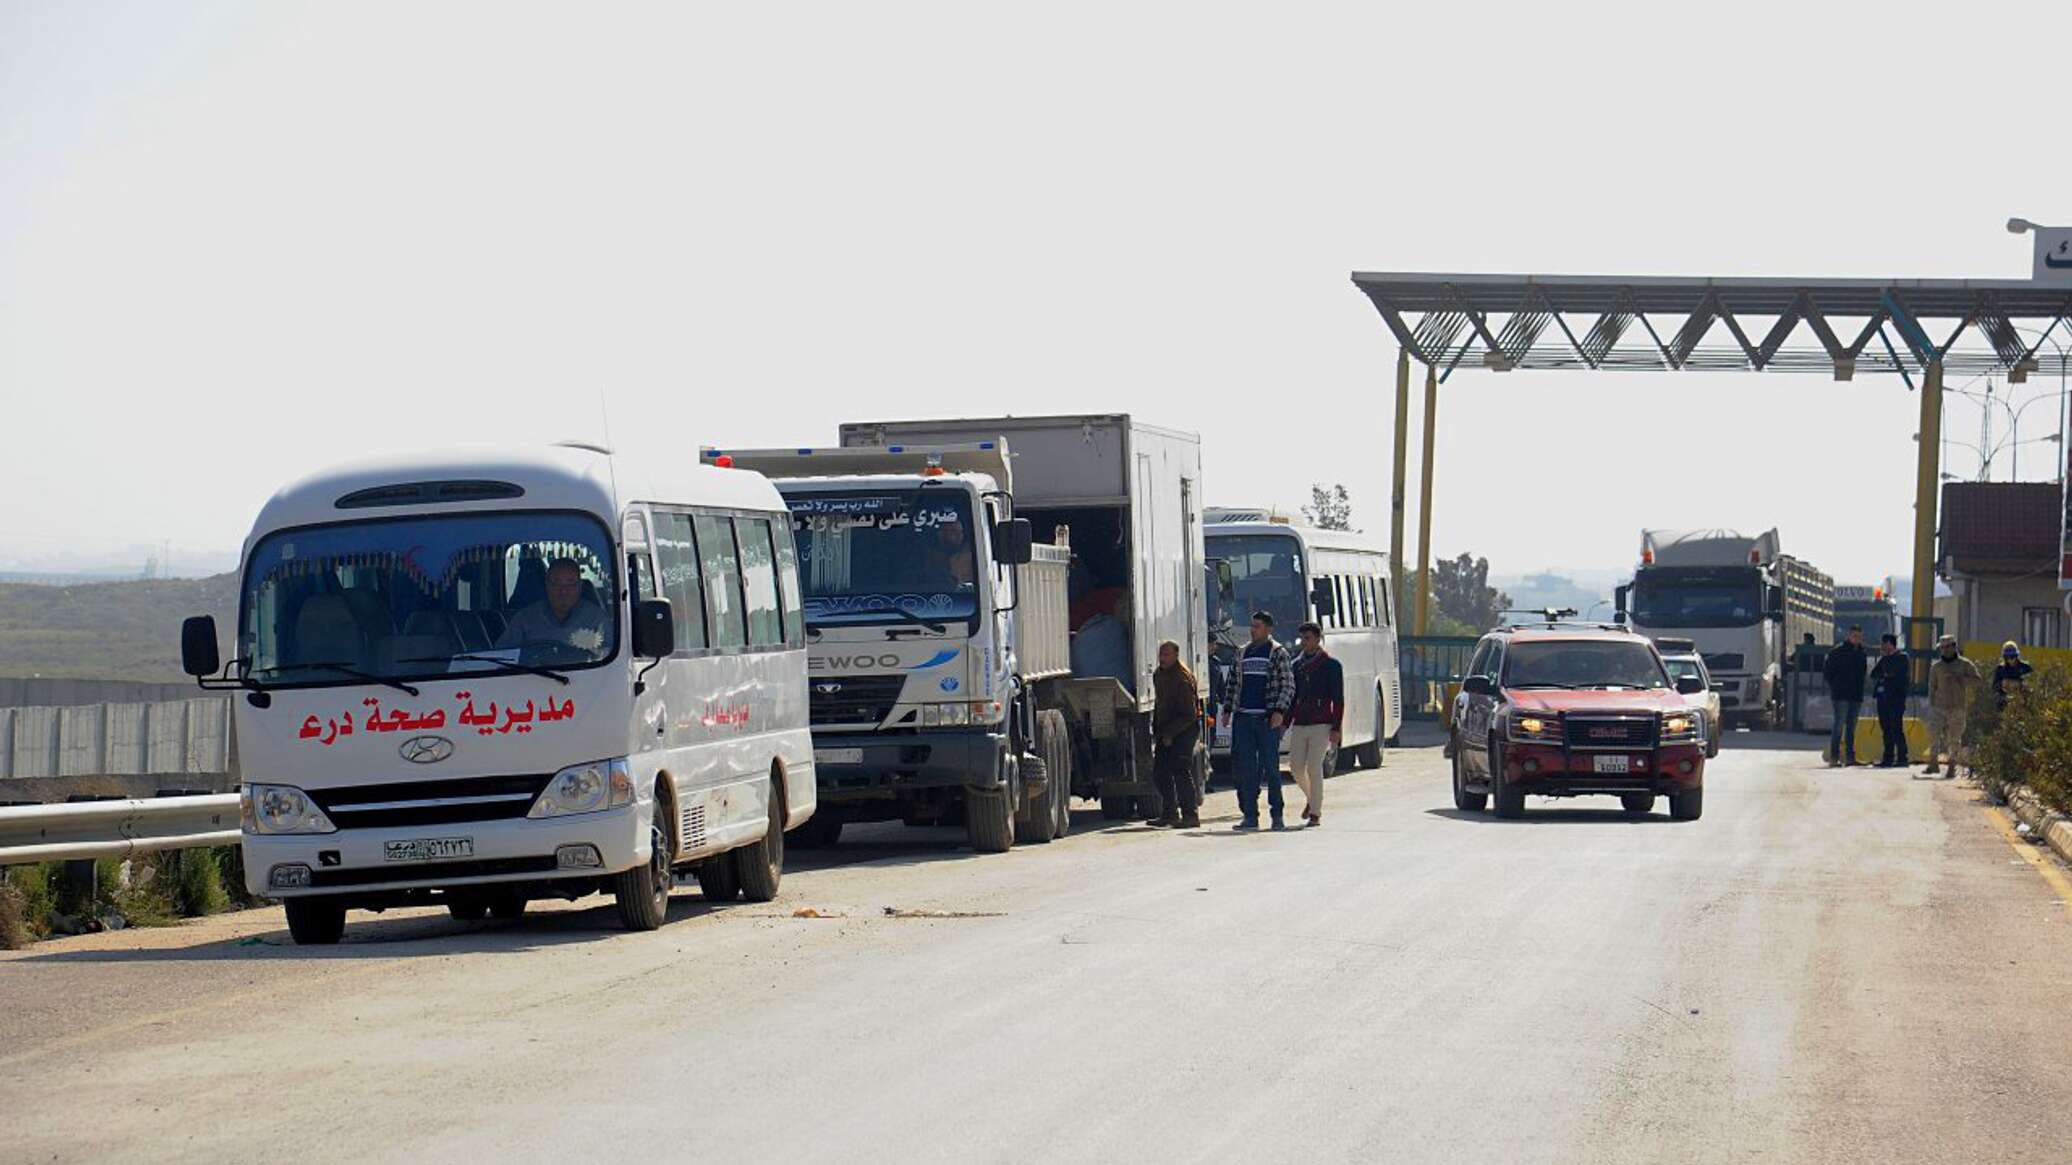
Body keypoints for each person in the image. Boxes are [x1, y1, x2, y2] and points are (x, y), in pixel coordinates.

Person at [1218, 610, 1293, 831]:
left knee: (1271, 769)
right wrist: (1228, 709)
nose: (1253, 630)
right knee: (1246, 770)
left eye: (1258, 626)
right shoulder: (1242, 653)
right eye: (1252, 626)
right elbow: (1232, 683)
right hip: (1244, 719)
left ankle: (1277, 815)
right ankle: (1250, 815)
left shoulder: (1278, 653)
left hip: (1266, 720)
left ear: (1269, 629)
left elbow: (1288, 685)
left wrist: (1279, 711)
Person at [1285, 622, 1344, 827]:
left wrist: (1336, 728)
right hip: (1300, 722)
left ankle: (1315, 813)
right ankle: (1311, 799)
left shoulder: (1331, 665)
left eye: (1308, 638)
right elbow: (1293, 697)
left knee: (1313, 767)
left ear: (1318, 639)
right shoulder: (1297, 666)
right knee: (1295, 768)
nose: (1304, 643)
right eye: (1302, 639)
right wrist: (1286, 722)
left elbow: (1338, 699)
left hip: (1322, 723)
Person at [497, 558, 609, 654]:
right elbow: (502, 657)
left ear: (580, 586)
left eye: (571, 583)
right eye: (556, 583)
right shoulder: (524, 620)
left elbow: (612, 661)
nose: (564, 591)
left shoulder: (597, 620)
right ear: (547, 585)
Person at [1147, 640, 1203, 830]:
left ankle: (1190, 815)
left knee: (1180, 770)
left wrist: (1171, 733)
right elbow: (1159, 705)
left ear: (1176, 656)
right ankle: (1169, 813)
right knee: (1160, 772)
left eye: (1167, 655)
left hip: (1185, 729)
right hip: (1166, 730)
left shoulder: (1182, 679)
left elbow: (1189, 714)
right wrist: (1159, 731)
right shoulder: (1159, 675)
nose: (1162, 658)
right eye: (1161, 654)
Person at [1924, 634, 1982, 779]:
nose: (1944, 650)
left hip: (1957, 707)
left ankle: (1952, 765)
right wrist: (1931, 704)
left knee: (1954, 738)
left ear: (1954, 647)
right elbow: (1932, 687)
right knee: (1933, 734)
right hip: (1939, 706)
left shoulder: (1964, 664)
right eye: (1941, 648)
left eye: (1947, 647)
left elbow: (1977, 681)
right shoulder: (1936, 667)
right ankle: (1933, 763)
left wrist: (1961, 679)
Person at [1823, 625, 1868, 766]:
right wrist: (1836, 687)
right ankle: (1834, 758)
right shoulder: (1837, 652)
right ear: (1848, 636)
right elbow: (1828, 672)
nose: (1857, 639)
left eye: (1859, 637)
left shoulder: (1861, 653)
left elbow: (1863, 673)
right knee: (1839, 726)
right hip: (1841, 695)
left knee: (1851, 728)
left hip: (1856, 695)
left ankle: (1850, 758)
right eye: (1854, 636)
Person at [1868, 633, 1911, 768]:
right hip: (1883, 699)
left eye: (1883, 644)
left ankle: (1902, 758)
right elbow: (1874, 673)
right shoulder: (1884, 659)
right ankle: (1888, 758)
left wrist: (1887, 675)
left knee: (1896, 728)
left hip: (1896, 699)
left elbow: (1898, 676)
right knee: (1886, 729)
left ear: (1889, 644)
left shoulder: (1902, 658)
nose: (1881, 647)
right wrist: (1886, 674)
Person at [1992, 641, 2035, 707]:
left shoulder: (2025, 667)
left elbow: (2032, 685)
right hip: (2005, 701)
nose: (2010, 660)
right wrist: (2002, 684)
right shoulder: (2000, 669)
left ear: (2016, 656)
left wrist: (2018, 684)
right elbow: (1994, 687)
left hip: (2022, 700)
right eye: (2007, 657)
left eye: (2012, 657)